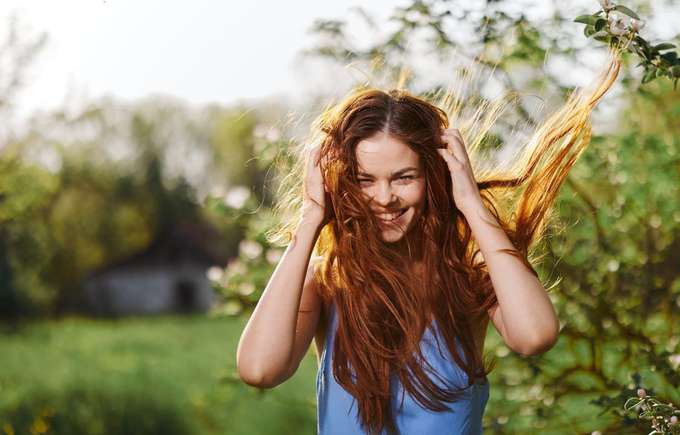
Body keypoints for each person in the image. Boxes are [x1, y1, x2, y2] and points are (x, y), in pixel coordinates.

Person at [236, 52, 621, 435]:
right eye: (365, 180)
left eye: (403, 177)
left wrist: (470, 202)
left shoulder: (466, 279)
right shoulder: (327, 283)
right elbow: (259, 370)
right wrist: (310, 219)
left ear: (433, 178)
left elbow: (535, 337)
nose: (384, 198)